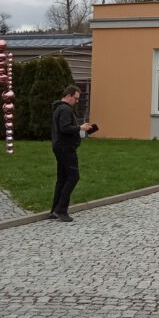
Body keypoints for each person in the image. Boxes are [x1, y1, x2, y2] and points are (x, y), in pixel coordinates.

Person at [49, 84, 92, 222]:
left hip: (59, 146)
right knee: (73, 176)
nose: (77, 101)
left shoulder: (59, 108)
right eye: (76, 98)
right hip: (65, 147)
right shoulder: (65, 109)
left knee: (62, 178)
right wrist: (80, 127)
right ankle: (62, 210)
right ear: (68, 96)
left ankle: (55, 209)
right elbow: (65, 128)